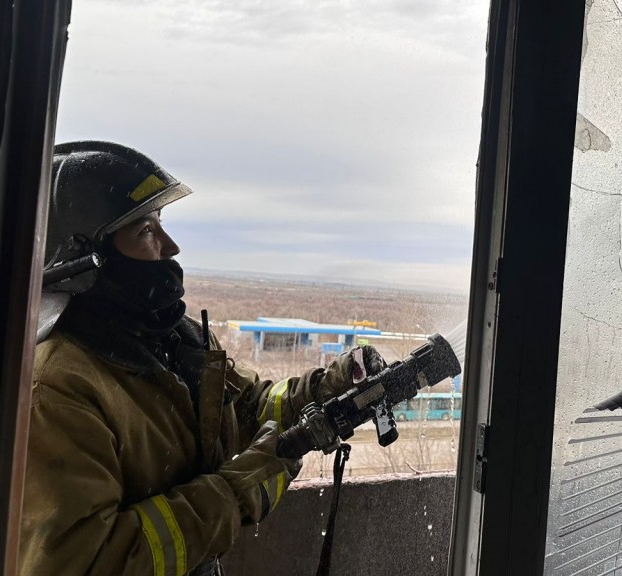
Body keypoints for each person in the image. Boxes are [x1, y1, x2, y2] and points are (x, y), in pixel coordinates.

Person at [19, 141, 384, 576]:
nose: (170, 247)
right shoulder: (57, 389)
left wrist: (332, 386)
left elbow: (248, 408)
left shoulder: (173, 341)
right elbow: (85, 562)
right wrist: (234, 492)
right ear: (86, 261)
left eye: (161, 224)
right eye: (144, 231)